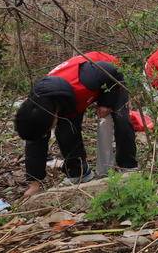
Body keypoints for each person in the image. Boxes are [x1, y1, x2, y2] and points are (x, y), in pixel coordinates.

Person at [15, 52, 137, 198]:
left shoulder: (87, 78)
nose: (48, 131)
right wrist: (34, 183)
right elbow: (35, 141)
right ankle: (79, 173)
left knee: (121, 120)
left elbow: (113, 71)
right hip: (70, 98)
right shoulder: (37, 106)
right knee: (66, 132)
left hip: (110, 77)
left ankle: (128, 167)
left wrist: (106, 102)